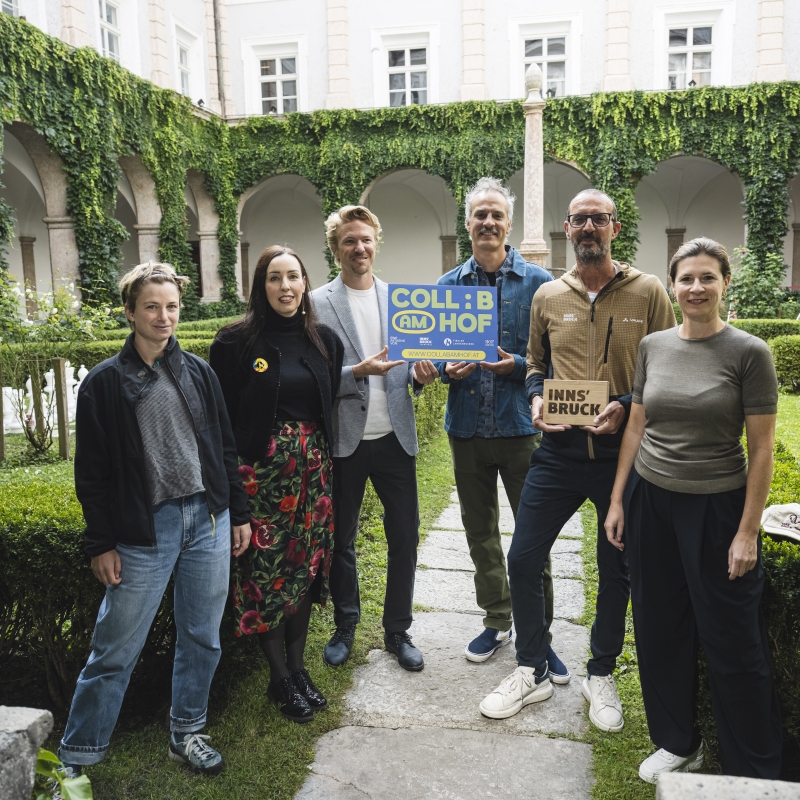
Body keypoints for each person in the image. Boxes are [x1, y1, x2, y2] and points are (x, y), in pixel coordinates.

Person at [479, 189, 676, 727]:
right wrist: (536, 399)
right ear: (567, 228)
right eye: (579, 219)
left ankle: (601, 672)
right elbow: (535, 365)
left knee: (617, 566)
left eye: (598, 219)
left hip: (623, 455)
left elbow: (666, 368)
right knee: (523, 557)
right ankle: (532, 668)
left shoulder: (648, 291)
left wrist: (626, 404)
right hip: (559, 453)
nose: (588, 227)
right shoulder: (549, 294)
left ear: (614, 227)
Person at [58, 262, 251, 778]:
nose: (163, 317)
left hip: (207, 522)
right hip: (145, 531)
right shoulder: (104, 383)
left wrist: (236, 512)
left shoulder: (199, 372)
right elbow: (92, 473)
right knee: (114, 650)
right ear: (130, 312)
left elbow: (224, 448)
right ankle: (76, 759)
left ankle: (187, 733)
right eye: (151, 307)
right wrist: (101, 542)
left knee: (202, 636)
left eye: (171, 307)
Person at [605, 237, 782, 782]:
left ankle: (755, 765)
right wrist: (618, 499)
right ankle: (678, 741)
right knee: (659, 625)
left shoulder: (749, 353)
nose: (696, 288)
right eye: (686, 278)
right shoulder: (654, 346)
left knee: (733, 638)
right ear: (672, 285)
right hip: (652, 501)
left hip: (716, 509)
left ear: (725, 282)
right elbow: (637, 425)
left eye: (708, 277)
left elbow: (762, 450)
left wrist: (747, 531)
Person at [434, 177, 569, 681]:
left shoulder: (539, 284)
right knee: (480, 533)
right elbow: (433, 355)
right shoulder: (448, 287)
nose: (488, 222)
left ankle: (540, 635)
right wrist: (445, 369)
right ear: (468, 223)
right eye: (480, 214)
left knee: (533, 537)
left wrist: (513, 365)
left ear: (509, 225)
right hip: (467, 429)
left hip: (520, 429)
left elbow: (555, 359)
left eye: (496, 215)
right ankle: (496, 620)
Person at [210, 246, 344, 724]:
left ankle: (297, 667)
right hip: (260, 478)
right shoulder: (234, 342)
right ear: (260, 286)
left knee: (305, 568)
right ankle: (278, 676)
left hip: (314, 474)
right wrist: (233, 490)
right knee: (265, 572)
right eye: (274, 277)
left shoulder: (325, 340)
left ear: (305, 283)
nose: (285, 286)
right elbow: (221, 420)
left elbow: (327, 407)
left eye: (293, 276)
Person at [310, 205, 438, 672]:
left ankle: (397, 630)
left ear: (376, 242)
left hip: (395, 437)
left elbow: (412, 365)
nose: (359, 248)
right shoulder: (316, 303)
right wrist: (357, 372)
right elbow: (314, 375)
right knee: (341, 539)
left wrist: (421, 377)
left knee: (404, 537)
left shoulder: (401, 299)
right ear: (336, 248)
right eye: (349, 240)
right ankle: (346, 624)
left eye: (365, 239)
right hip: (345, 441)